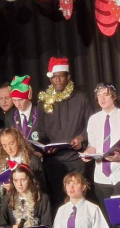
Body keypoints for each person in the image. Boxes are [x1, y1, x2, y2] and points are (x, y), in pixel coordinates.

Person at [36, 57, 92, 202]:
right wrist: (45, 147)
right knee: (57, 201)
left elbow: (90, 126)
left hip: (75, 160)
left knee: (78, 200)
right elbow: (40, 130)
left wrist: (81, 138)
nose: (58, 80)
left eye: (61, 76)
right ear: (50, 79)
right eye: (55, 77)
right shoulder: (43, 100)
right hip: (53, 162)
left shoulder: (81, 98)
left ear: (68, 77)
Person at [82, 83, 120, 208]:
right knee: (108, 217)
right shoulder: (93, 119)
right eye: (99, 96)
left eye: (105, 95)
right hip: (101, 178)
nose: (102, 99)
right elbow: (93, 145)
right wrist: (88, 153)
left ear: (114, 96)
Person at [0, 128, 45, 194]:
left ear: (19, 141)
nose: (9, 149)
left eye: (11, 144)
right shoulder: (3, 162)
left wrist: (16, 187)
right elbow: (1, 191)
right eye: (5, 146)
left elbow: (42, 187)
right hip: (11, 203)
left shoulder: (32, 160)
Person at [4, 75, 44, 142]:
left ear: (28, 96)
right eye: (14, 100)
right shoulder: (9, 116)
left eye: (21, 100)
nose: (18, 104)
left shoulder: (40, 113)